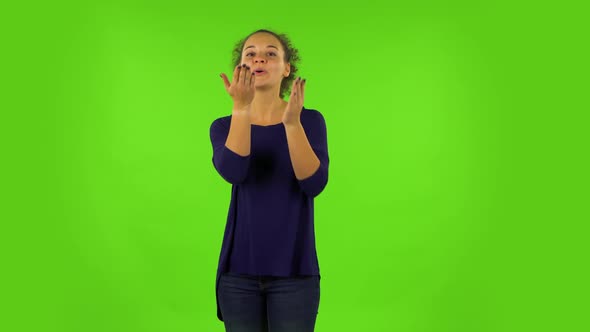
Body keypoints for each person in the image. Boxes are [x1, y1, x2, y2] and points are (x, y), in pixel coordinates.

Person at [209, 29, 330, 332]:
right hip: (238, 277)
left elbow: (313, 184)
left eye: (271, 53)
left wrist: (291, 124)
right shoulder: (224, 126)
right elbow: (234, 172)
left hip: (295, 274)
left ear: (287, 68)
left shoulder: (309, 121)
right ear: (240, 68)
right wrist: (241, 108)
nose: (259, 57)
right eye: (250, 53)